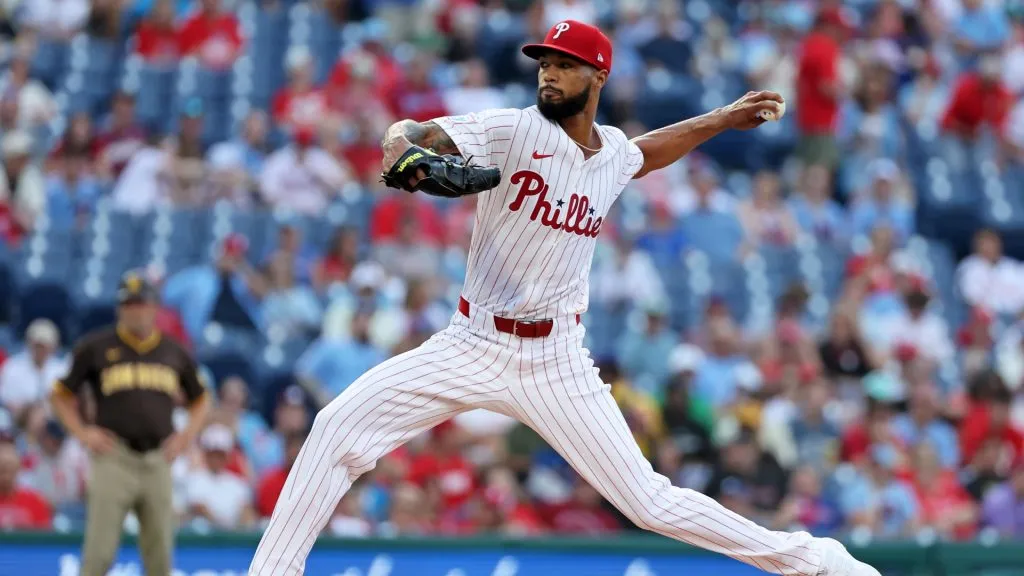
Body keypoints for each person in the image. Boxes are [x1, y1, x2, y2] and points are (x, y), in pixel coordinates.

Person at [250, 20, 879, 576]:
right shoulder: (513, 129)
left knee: (649, 501)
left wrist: (718, 118)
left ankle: (811, 561)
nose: (548, 75)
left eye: (563, 66)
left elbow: (647, 152)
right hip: (473, 341)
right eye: (544, 65)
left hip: (556, 362)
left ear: (597, 75)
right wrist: (405, 153)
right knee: (336, 426)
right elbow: (412, 132)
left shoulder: (611, 156)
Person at [50, 270, 210, 576]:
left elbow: (201, 399)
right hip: (114, 457)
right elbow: (60, 395)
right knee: (98, 556)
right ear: (119, 308)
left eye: (141, 302)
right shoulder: (96, 346)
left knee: (161, 557)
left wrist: (186, 436)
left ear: (154, 306)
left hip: (157, 459)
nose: (135, 309)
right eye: (129, 303)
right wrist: (83, 433)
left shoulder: (174, 350)